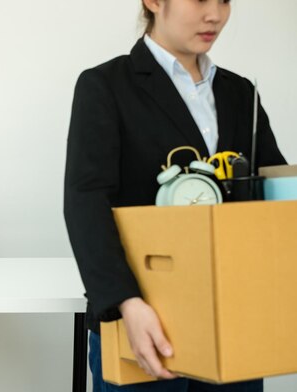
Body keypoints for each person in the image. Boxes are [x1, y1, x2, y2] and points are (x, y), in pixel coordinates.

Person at [64, 1, 286, 391]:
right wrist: (127, 303)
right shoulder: (105, 85)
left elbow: (273, 193)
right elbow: (86, 203)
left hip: (234, 320)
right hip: (144, 321)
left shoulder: (240, 92)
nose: (215, 15)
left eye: (224, 1)